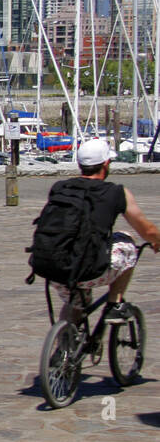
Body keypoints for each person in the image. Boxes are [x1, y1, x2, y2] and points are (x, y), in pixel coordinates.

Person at [51, 138, 160, 322]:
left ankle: (65, 344)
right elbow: (147, 231)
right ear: (106, 164)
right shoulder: (116, 193)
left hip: (54, 269)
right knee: (128, 243)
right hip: (91, 270)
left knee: (76, 304)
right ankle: (114, 304)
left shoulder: (60, 188)